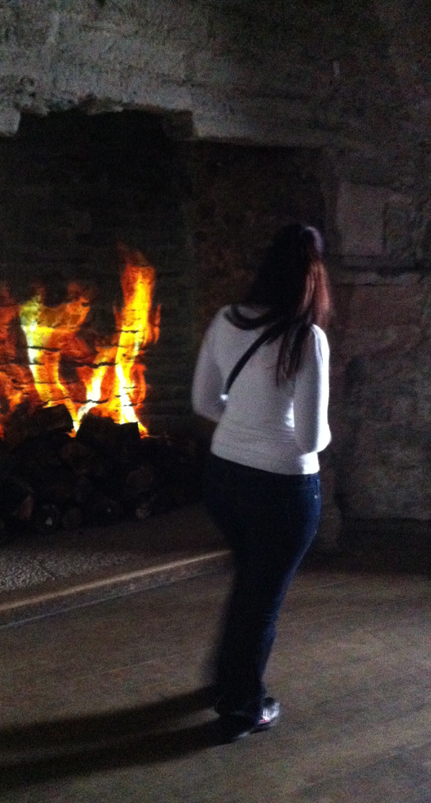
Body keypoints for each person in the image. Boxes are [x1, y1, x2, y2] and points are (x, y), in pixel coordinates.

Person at [192, 223, 332, 742]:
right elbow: (310, 440)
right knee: (261, 597)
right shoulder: (306, 337)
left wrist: (244, 422)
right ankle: (242, 706)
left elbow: (205, 403)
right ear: (313, 276)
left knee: (251, 586)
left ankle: (227, 681)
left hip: (224, 479)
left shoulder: (226, 320)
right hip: (283, 492)